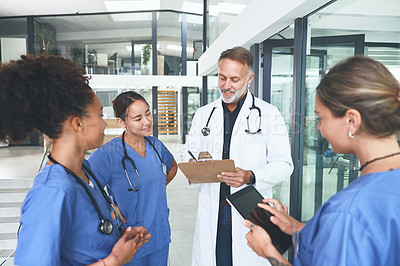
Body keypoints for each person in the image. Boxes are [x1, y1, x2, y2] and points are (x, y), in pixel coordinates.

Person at [243, 55, 400, 265]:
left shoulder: (349, 211)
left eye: (321, 118)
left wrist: (268, 251)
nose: (319, 128)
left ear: (351, 121)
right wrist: (297, 227)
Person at [0, 54, 151, 265]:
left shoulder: (84, 171)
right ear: (78, 124)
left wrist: (120, 239)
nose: (105, 125)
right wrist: (113, 261)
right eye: (99, 115)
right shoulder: (51, 193)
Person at [181, 46, 293, 266]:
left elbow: (284, 164)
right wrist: (193, 164)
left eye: (234, 79)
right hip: (214, 209)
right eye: (222, 78)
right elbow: (189, 150)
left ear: (250, 78)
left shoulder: (269, 114)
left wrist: (250, 176)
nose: (226, 86)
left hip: (247, 213)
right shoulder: (204, 113)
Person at [89, 91, 178, 265]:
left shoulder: (156, 145)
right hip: (129, 239)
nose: (147, 121)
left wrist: (155, 188)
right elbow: (84, 188)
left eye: (148, 113)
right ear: (122, 122)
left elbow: (173, 167)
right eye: (138, 118)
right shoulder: (108, 154)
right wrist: (111, 211)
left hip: (159, 235)